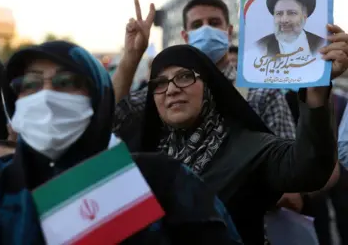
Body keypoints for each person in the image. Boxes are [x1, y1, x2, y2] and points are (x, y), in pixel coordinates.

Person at [0, 41, 240, 245]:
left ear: (99, 95)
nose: (47, 96)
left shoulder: (161, 179)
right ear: (13, 103)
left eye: (67, 82)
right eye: (28, 84)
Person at [130, 43, 343, 244]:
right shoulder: (142, 160)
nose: (171, 90)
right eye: (160, 83)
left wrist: (316, 93)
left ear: (209, 86)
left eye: (185, 77)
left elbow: (309, 168)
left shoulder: (250, 148)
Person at [113, 0, 296, 143]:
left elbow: (290, 170)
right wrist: (132, 54)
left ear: (229, 32)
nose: (206, 29)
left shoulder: (262, 93)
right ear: (186, 36)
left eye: (214, 22)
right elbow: (113, 114)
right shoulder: (166, 92)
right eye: (197, 25)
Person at [256, 0, 324, 57]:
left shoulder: (321, 44)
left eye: (292, 13)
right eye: (279, 13)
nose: (284, 20)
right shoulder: (260, 46)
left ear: (304, 16)